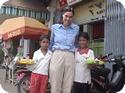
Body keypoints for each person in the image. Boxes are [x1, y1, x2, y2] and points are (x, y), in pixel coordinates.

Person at [49, 6, 79, 93]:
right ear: (62, 15)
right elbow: (51, 42)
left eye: (70, 17)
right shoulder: (55, 27)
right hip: (57, 54)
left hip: (70, 55)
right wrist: (52, 55)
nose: (68, 18)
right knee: (55, 81)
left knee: (68, 82)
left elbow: (76, 43)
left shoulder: (76, 28)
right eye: (66, 16)